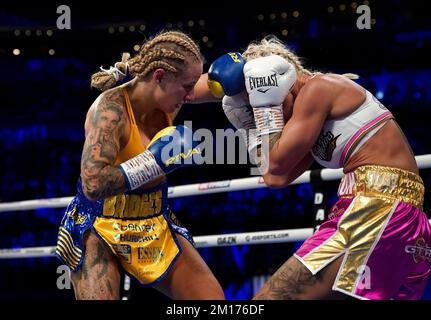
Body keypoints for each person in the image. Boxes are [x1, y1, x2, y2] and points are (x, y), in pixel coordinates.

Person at [204, 35, 431, 300]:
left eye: (260, 101)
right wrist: (249, 127)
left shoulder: (318, 89)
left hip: (377, 209)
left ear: (274, 83)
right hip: (387, 213)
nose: (263, 112)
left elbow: (275, 162)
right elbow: (274, 177)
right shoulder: (304, 115)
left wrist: (265, 107)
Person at [55, 30, 224, 300]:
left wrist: (252, 71)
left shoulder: (171, 94)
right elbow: (93, 183)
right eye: (187, 86)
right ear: (159, 76)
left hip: (152, 219)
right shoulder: (110, 111)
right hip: (99, 225)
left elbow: (220, 84)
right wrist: (152, 163)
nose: (192, 95)